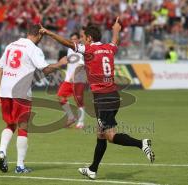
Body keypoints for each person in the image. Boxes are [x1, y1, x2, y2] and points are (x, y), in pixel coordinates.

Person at [39, 17, 155, 179]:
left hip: (103, 99)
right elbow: (115, 40)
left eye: (84, 38)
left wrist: (49, 33)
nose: (82, 40)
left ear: (90, 38)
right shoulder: (109, 48)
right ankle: (93, 169)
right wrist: (116, 29)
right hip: (113, 95)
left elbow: (67, 43)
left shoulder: (89, 50)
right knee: (100, 134)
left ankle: (142, 143)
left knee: (110, 136)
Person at [0, 24, 67, 174]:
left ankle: (2, 151)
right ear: (39, 35)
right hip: (21, 93)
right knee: (23, 127)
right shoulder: (33, 49)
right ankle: (20, 166)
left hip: (5, 91)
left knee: (10, 124)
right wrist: (60, 64)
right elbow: (45, 70)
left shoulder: (11, 45)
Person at [57, 32, 86, 129]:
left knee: (79, 101)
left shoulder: (81, 49)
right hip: (68, 79)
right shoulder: (70, 48)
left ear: (78, 40)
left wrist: (74, 75)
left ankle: (81, 123)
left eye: (75, 39)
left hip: (78, 79)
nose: (73, 41)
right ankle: (71, 117)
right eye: (71, 39)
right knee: (60, 96)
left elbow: (81, 64)